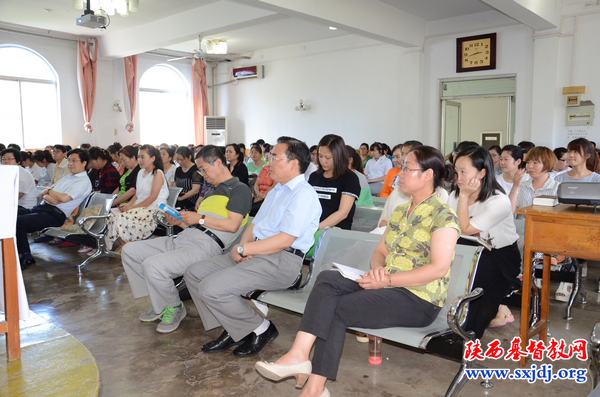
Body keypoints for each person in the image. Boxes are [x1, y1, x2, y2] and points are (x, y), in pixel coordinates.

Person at [255, 146, 460, 397]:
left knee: (338, 308)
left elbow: (438, 269)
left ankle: (314, 387)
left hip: (418, 299)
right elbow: (381, 252)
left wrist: (387, 280)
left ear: (428, 175)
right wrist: (377, 272)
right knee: (328, 278)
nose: (400, 173)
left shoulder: (443, 216)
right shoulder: (401, 211)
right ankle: (300, 355)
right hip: (387, 284)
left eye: (407, 168)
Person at [184, 136, 321, 358]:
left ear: (294, 163)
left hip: (281, 260)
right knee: (194, 273)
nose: (269, 163)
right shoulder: (278, 190)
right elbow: (254, 225)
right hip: (255, 253)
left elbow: (285, 240)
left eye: (274, 157)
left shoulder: (303, 194)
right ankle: (233, 326)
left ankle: (261, 329)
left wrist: (243, 250)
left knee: (212, 287)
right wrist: (241, 246)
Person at [121, 145, 252, 334]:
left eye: (203, 169)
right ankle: (159, 303)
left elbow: (232, 225)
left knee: (153, 265)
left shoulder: (239, 189)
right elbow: (197, 225)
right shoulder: (211, 192)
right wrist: (180, 221)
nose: (201, 174)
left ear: (217, 163)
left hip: (206, 246)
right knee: (130, 251)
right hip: (185, 237)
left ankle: (174, 307)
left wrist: (198, 218)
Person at [447, 146, 521, 338]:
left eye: (463, 171)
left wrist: (463, 196)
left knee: (477, 283)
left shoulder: (498, 201)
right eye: (456, 171)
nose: (459, 177)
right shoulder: (454, 195)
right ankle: (448, 325)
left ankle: (467, 334)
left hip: (499, 258)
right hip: (466, 251)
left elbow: (465, 229)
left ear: (482, 172)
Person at [15, 149, 92, 268]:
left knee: (20, 222)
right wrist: (48, 196)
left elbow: (64, 198)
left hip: (55, 215)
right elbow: (43, 193)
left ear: (84, 163)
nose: (70, 163)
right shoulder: (68, 177)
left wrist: (49, 193)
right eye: (69, 160)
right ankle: (12, 253)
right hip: (43, 209)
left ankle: (26, 257)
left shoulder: (83, 181)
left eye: (74, 161)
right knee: (14, 212)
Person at [106, 145, 169, 253]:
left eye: (143, 157)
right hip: (140, 207)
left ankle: (128, 247)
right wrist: (127, 205)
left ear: (153, 158)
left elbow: (153, 197)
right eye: (138, 157)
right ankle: (128, 245)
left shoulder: (157, 173)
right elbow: (137, 194)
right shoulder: (141, 172)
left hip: (153, 209)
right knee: (110, 215)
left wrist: (132, 207)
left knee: (117, 219)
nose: (140, 160)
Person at [309, 134, 360, 231]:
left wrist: (316, 228)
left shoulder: (350, 178)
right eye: (320, 156)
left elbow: (342, 213)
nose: (323, 161)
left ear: (339, 156)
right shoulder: (314, 176)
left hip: (335, 232)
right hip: (311, 229)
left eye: (328, 158)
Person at [498, 144, 526, 209]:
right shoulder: (497, 180)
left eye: (506, 159)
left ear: (518, 161)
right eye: (501, 159)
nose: (502, 162)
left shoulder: (527, 179)